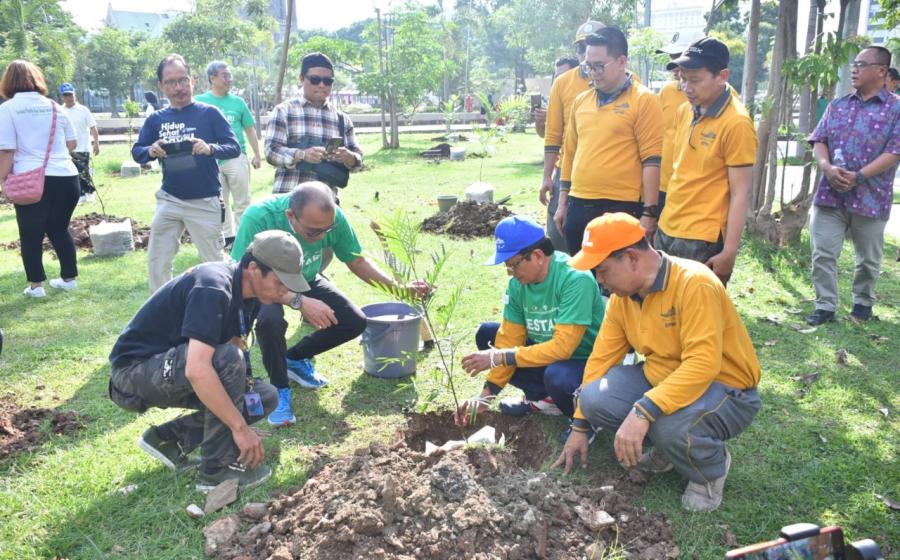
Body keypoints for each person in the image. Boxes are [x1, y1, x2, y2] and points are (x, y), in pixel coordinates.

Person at [554, 213, 762, 512]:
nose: (600, 281)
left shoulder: (695, 283)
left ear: (631, 258)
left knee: (667, 425)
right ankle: (672, 451)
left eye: (602, 270)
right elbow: (600, 360)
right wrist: (580, 424)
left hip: (726, 388)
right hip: (664, 379)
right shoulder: (622, 299)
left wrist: (644, 410)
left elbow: (702, 364)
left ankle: (709, 471)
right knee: (593, 397)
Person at [107, 230, 305, 490]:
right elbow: (199, 369)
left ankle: (168, 440)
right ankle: (216, 471)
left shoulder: (253, 294)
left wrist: (240, 415)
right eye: (281, 282)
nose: (285, 291)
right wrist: (240, 429)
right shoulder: (212, 286)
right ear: (254, 269)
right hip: (132, 375)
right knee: (226, 359)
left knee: (263, 397)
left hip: (176, 367)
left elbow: (235, 346)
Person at [231, 182, 431, 426]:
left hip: (305, 276)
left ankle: (293, 358)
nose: (323, 237)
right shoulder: (260, 216)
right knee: (269, 321)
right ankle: (280, 389)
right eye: (314, 232)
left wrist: (400, 288)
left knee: (354, 321)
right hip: (264, 285)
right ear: (290, 216)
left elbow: (356, 261)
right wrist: (299, 301)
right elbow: (242, 274)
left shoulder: (331, 219)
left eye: (328, 229)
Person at [453, 216, 604, 431]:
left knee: (558, 376)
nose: (511, 274)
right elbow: (509, 339)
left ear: (538, 256)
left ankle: (585, 419)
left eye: (513, 265)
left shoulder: (575, 279)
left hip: (585, 360)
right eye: (507, 268)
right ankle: (545, 399)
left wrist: (499, 356)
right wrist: (485, 397)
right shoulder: (517, 286)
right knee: (488, 335)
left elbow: (564, 348)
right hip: (549, 356)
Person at [805, 46, 900, 326]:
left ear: (881, 71)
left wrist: (858, 176)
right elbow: (819, 140)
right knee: (822, 252)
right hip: (830, 194)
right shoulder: (838, 104)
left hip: (871, 197)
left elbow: (895, 152)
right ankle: (824, 305)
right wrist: (826, 167)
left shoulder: (896, 109)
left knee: (868, 259)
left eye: (861, 64)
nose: (854, 69)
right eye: (854, 64)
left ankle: (862, 303)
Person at [132, 54, 241, 293]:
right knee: (157, 261)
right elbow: (137, 152)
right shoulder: (156, 119)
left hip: (204, 201)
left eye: (182, 80)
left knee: (214, 263)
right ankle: (161, 313)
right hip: (169, 199)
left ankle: (226, 309)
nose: (178, 87)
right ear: (161, 86)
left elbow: (233, 147)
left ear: (192, 81)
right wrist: (151, 150)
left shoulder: (209, 113)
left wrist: (209, 148)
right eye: (170, 82)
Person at [655, 37, 757, 286]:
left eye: (694, 80)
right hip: (668, 226)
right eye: (682, 78)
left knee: (696, 316)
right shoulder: (685, 110)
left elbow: (740, 194)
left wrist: (730, 251)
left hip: (703, 237)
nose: (686, 88)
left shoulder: (737, 123)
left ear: (722, 76)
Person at [556, 28, 662, 255]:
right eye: (587, 66)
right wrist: (562, 203)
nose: (592, 72)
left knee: (619, 283)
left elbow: (651, 160)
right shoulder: (581, 101)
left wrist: (649, 213)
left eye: (598, 65)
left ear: (621, 61)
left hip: (621, 206)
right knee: (582, 278)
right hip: (578, 201)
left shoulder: (643, 100)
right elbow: (570, 154)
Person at [0, 60, 80, 298]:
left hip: (30, 178)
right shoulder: (56, 107)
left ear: (8, 82)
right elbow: (72, 143)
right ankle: (69, 278)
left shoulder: (8, 109)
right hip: (67, 176)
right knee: (59, 228)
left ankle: (36, 286)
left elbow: (6, 151)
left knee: (30, 233)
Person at [539, 20, 605, 253]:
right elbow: (553, 133)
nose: (586, 53)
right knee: (559, 235)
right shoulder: (563, 83)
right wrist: (547, 176)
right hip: (567, 172)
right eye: (581, 48)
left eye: (595, 44)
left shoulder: (628, 83)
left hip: (608, 176)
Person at [265, 52, 362, 197]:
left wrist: (349, 157)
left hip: (326, 204)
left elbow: (358, 158)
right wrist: (302, 155)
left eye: (328, 81)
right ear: (302, 79)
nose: (322, 85)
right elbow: (271, 152)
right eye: (315, 80)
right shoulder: (284, 112)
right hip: (288, 200)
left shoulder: (342, 119)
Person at [195, 61, 262, 243]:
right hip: (211, 159)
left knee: (242, 201)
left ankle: (243, 239)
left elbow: (249, 129)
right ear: (212, 78)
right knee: (219, 202)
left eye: (229, 75)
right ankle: (227, 239)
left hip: (235, 156)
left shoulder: (238, 102)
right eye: (225, 75)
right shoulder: (200, 102)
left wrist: (256, 154)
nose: (229, 79)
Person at [654, 42, 690, 215]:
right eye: (672, 58)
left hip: (691, 192)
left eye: (679, 57)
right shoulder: (667, 91)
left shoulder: (718, 97)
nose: (674, 66)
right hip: (662, 185)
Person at [58, 83, 99, 204]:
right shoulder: (60, 111)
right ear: (62, 97)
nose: (68, 98)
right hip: (67, 149)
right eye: (65, 95)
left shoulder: (83, 110)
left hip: (82, 147)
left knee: (83, 171)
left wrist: (96, 143)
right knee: (72, 173)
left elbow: (93, 127)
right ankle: (79, 194)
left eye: (70, 95)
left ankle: (89, 193)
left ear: (74, 95)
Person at [533, 55, 580, 139]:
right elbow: (543, 133)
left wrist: (551, 117)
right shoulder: (556, 97)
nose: (559, 80)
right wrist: (539, 120)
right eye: (557, 77)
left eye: (563, 76)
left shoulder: (584, 96)